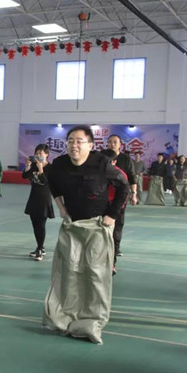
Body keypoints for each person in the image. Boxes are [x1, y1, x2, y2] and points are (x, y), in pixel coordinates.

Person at [43, 126, 129, 345]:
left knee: (95, 274)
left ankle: (92, 321)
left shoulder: (101, 163)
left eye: (79, 141)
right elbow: (51, 181)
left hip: (97, 227)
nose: (74, 145)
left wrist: (112, 215)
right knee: (69, 272)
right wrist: (61, 206)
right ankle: (65, 318)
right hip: (72, 226)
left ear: (90, 145)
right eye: (70, 140)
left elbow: (124, 186)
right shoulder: (60, 165)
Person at [22, 144, 54, 261]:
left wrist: (41, 169)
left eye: (40, 153)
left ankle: (40, 249)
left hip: (44, 199)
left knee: (41, 224)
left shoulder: (50, 168)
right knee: (35, 224)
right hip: (33, 198)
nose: (38, 155)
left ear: (47, 155)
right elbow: (24, 176)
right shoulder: (34, 165)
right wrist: (28, 165)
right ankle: (40, 247)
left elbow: (45, 181)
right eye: (36, 153)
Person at [106, 135, 136, 257]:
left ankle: (116, 248)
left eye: (115, 142)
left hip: (119, 197)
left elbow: (132, 178)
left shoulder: (126, 159)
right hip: (103, 197)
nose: (112, 144)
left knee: (118, 223)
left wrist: (134, 194)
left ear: (120, 144)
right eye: (110, 142)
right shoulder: (102, 157)